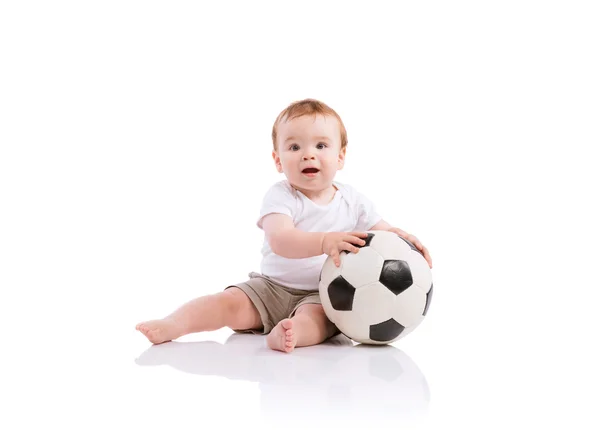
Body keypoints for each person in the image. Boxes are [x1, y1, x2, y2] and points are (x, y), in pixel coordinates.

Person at [136, 98, 433, 353]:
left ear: (340, 156)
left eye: (321, 145)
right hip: (270, 287)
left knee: (316, 322)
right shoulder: (281, 196)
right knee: (226, 303)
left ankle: (288, 333)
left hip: (326, 294)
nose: (308, 154)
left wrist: (403, 238)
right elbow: (281, 239)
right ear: (278, 160)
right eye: (294, 146)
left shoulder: (353, 200)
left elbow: (381, 231)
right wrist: (323, 241)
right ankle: (174, 323)